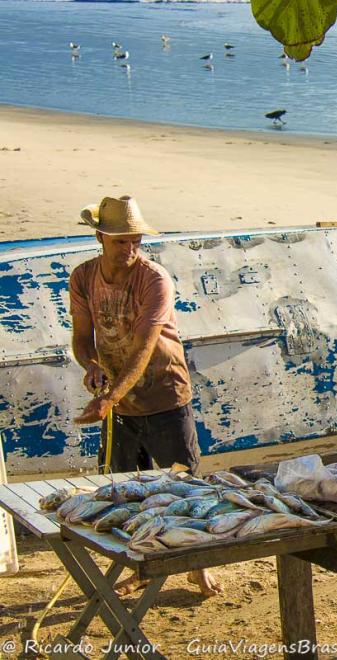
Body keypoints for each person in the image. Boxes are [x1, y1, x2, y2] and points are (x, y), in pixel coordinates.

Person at [69, 195, 221, 598]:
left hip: (164, 394)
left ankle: (197, 566)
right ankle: (137, 568)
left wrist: (108, 399)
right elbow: (82, 338)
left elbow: (144, 346)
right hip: (119, 401)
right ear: (100, 238)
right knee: (125, 493)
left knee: (184, 487)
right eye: (121, 241)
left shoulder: (154, 279)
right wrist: (91, 365)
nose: (130, 248)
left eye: (135, 240)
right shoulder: (83, 277)